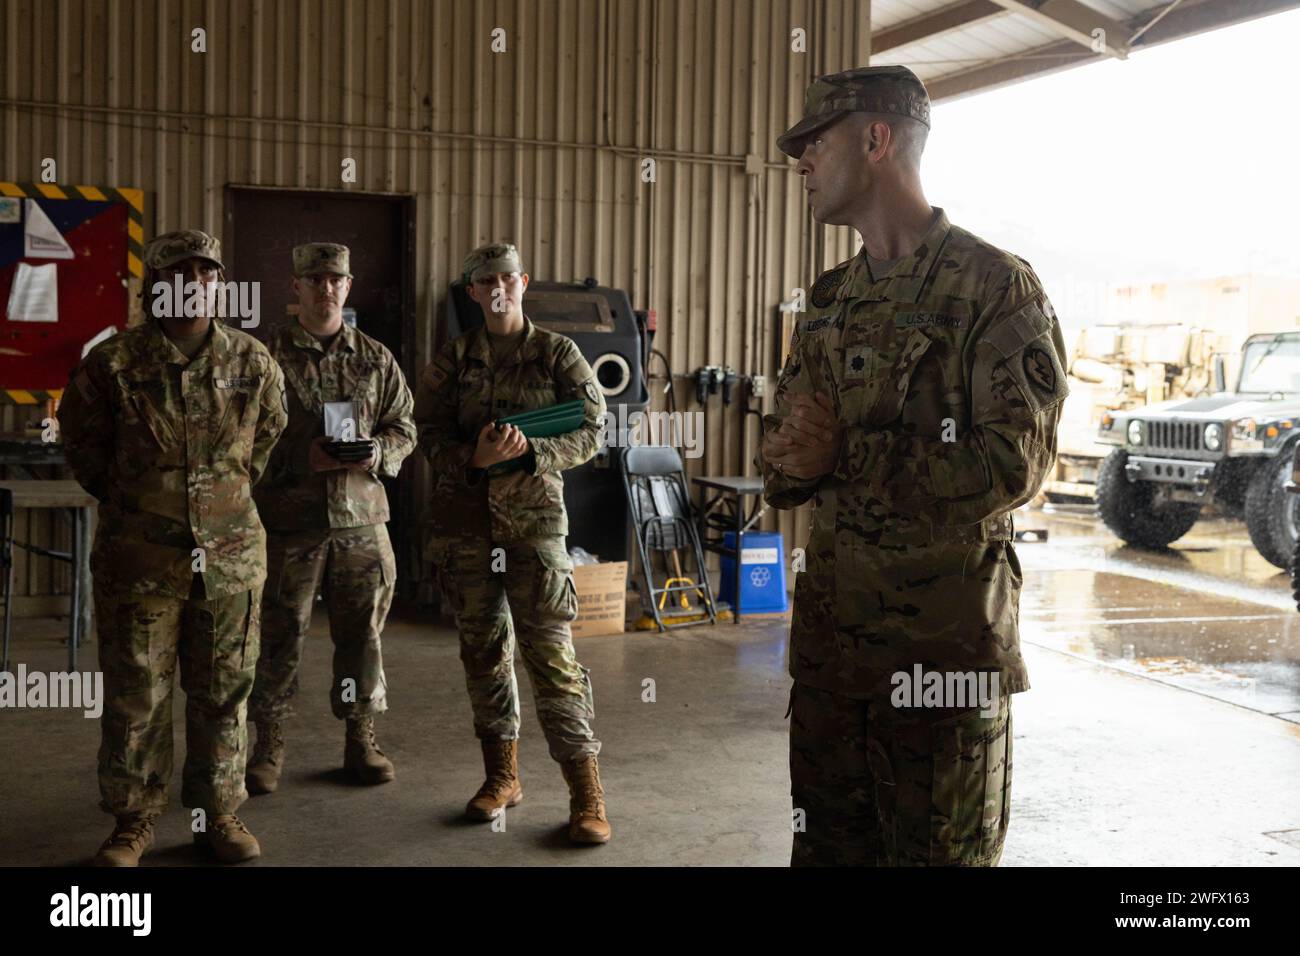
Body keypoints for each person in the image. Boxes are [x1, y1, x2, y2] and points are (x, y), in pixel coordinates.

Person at [761, 66, 1068, 866]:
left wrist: (843, 455)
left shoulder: (995, 287)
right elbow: (789, 448)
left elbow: (1017, 462)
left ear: (876, 139)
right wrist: (789, 457)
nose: (800, 162)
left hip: (943, 664)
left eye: (813, 143)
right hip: (833, 658)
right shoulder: (829, 300)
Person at [58, 229, 288, 865]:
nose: (193, 282)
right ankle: (134, 821)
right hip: (140, 560)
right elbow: (84, 451)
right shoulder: (112, 364)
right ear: (153, 285)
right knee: (138, 693)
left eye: (205, 273)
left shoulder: (252, 361)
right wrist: (148, 503)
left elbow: (266, 441)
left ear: (218, 284)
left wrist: (221, 505)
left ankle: (219, 813)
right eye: (178, 272)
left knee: (223, 691)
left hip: (231, 559)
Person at [412, 241, 612, 844]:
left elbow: (594, 427)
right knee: (484, 656)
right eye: (485, 280)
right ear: (472, 292)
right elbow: (425, 432)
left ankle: (586, 794)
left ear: (523, 281)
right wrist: (470, 457)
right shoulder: (453, 359)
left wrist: (536, 454)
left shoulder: (557, 353)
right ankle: (502, 777)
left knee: (553, 660)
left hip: (533, 530)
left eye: (507, 276)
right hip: (466, 529)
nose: (498, 287)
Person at [246, 242, 416, 793]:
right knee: (276, 634)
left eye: (335, 279)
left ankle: (361, 739)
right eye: (314, 279)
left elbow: (405, 426)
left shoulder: (375, 357)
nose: (326, 288)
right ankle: (267, 744)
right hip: (286, 522)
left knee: (361, 636)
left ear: (348, 286)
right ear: (294, 287)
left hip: (361, 521)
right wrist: (300, 459)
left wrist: (379, 452)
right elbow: (236, 438)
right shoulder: (260, 355)